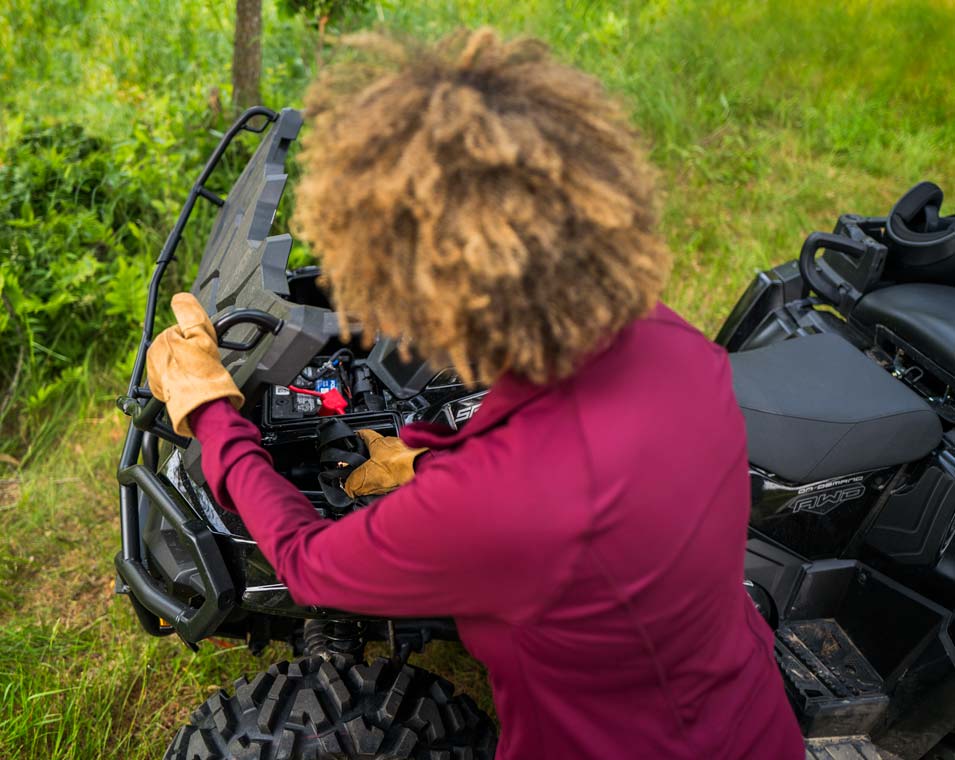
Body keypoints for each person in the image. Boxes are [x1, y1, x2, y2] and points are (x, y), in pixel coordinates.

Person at [145, 28, 804, 760]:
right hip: (751, 719)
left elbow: (307, 562)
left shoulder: (500, 506)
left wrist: (210, 410)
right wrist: (433, 462)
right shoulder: (673, 344)